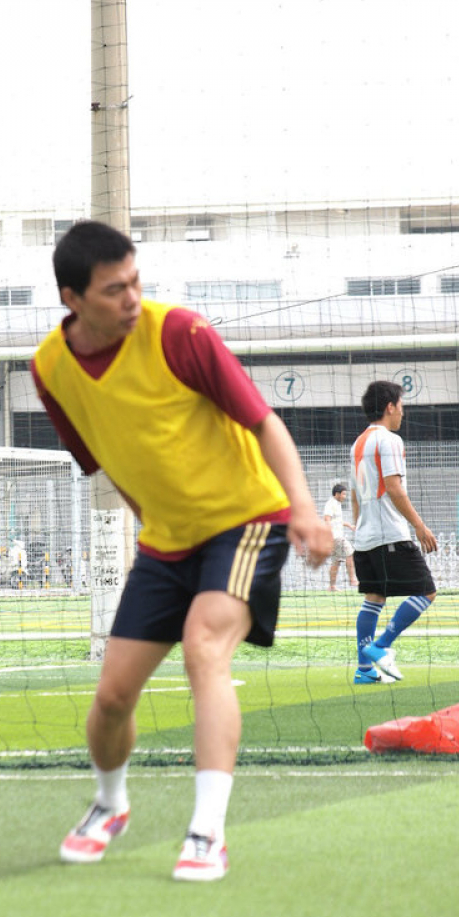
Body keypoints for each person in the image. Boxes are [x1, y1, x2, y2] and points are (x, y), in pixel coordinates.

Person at [31, 220, 332, 881]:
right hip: (166, 542)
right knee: (112, 697)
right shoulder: (50, 369)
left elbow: (265, 422)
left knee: (205, 647)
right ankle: (110, 806)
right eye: (114, 289)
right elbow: (111, 457)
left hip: (248, 519)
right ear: (72, 298)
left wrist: (305, 512)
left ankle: (206, 832)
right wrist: (156, 525)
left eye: (136, 281)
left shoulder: (180, 333)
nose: (132, 297)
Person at [350, 381, 437, 684]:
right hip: (390, 534)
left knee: (374, 597)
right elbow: (394, 487)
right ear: (390, 407)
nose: (403, 411)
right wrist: (419, 525)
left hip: (365, 538)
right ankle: (381, 646)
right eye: (401, 405)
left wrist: (359, 530)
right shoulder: (389, 440)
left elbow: (354, 493)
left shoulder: (358, 442)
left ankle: (364, 671)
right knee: (427, 590)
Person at [323, 483, 357, 590]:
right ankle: (353, 580)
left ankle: (332, 586)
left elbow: (337, 521)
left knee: (336, 561)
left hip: (335, 537)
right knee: (350, 553)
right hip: (335, 537)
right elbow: (327, 519)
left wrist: (349, 525)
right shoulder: (330, 504)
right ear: (337, 494)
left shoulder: (337, 504)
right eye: (343, 494)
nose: (345, 497)